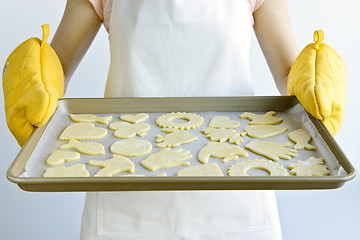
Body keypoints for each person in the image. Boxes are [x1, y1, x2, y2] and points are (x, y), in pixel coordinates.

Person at [50, 0, 298, 239]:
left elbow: (288, 72)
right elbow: (59, 63)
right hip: (127, 192)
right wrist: (38, 82)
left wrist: (310, 82)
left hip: (234, 190)